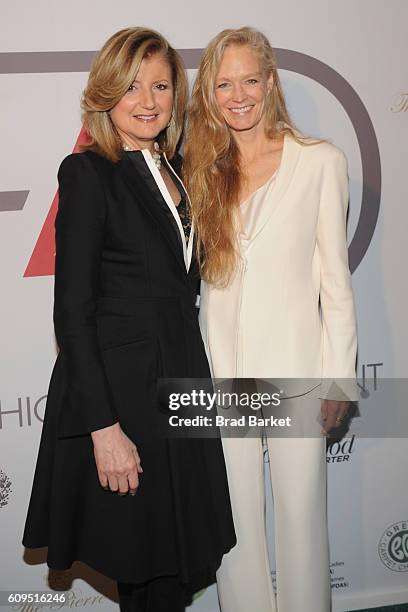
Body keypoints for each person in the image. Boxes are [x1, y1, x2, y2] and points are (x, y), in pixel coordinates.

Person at [22, 27, 236, 612]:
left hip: (179, 380)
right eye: (133, 86)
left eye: (161, 85)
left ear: (176, 95)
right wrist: (103, 428)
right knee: (145, 570)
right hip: (125, 399)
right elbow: (73, 312)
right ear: (107, 92)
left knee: (177, 566)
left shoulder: (175, 172)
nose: (148, 100)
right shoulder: (88, 173)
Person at [183, 27, 358, 612]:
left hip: (297, 372)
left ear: (270, 82)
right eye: (224, 83)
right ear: (209, 93)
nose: (238, 96)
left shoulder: (320, 162)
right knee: (235, 526)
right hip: (223, 373)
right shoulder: (202, 170)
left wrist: (338, 377)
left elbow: (336, 281)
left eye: (249, 80)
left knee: (302, 519)